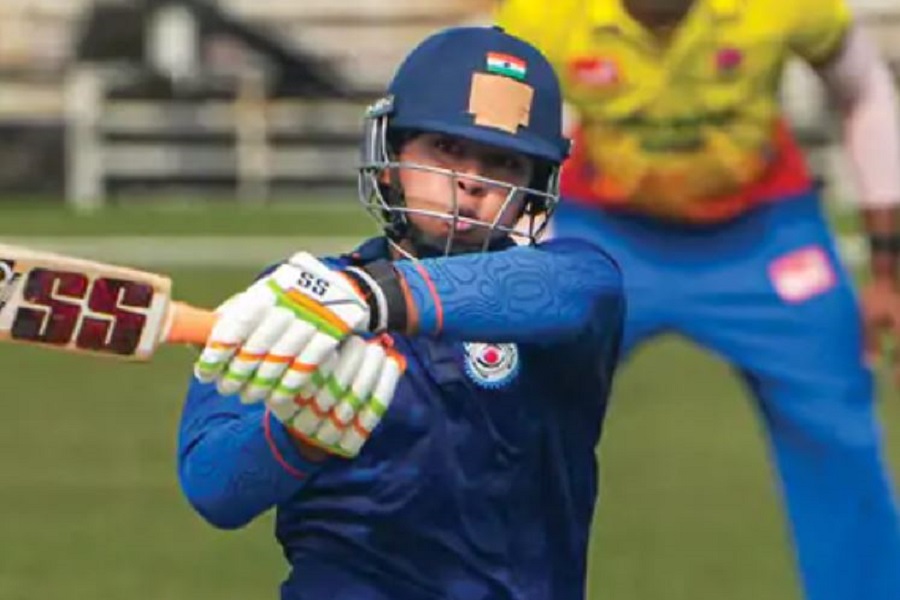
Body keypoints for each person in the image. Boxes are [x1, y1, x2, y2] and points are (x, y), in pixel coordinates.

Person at [177, 26, 625, 600]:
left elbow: (572, 294)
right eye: (446, 149)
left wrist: (371, 296)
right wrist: (299, 436)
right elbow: (214, 490)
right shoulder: (295, 298)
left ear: (534, 190)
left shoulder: (574, 280)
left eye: (503, 163)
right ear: (390, 160)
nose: (471, 181)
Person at [496, 1, 900, 599]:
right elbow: (498, 140)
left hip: (764, 233)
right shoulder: (540, 14)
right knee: (496, 406)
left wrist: (887, 270)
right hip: (601, 232)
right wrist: (515, 259)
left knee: (839, 432)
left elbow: (864, 87)